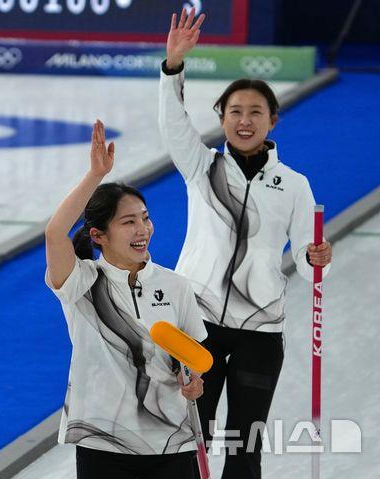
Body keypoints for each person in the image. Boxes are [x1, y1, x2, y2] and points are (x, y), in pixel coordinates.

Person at [158, 8, 333, 478]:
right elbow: (173, 122)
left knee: (244, 448)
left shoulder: (294, 185)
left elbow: (308, 258)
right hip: (197, 325)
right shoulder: (202, 167)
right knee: (187, 441)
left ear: (273, 119)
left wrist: (316, 258)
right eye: (235, 111)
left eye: (256, 112)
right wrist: (173, 66)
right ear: (222, 117)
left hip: (261, 330)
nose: (244, 120)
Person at [45, 120, 208, 479]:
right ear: (98, 235)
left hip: (171, 440)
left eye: (145, 219)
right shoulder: (81, 283)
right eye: (128, 222)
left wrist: (194, 380)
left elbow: (191, 357)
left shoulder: (177, 286)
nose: (142, 229)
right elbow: (55, 232)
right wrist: (95, 176)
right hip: (103, 442)